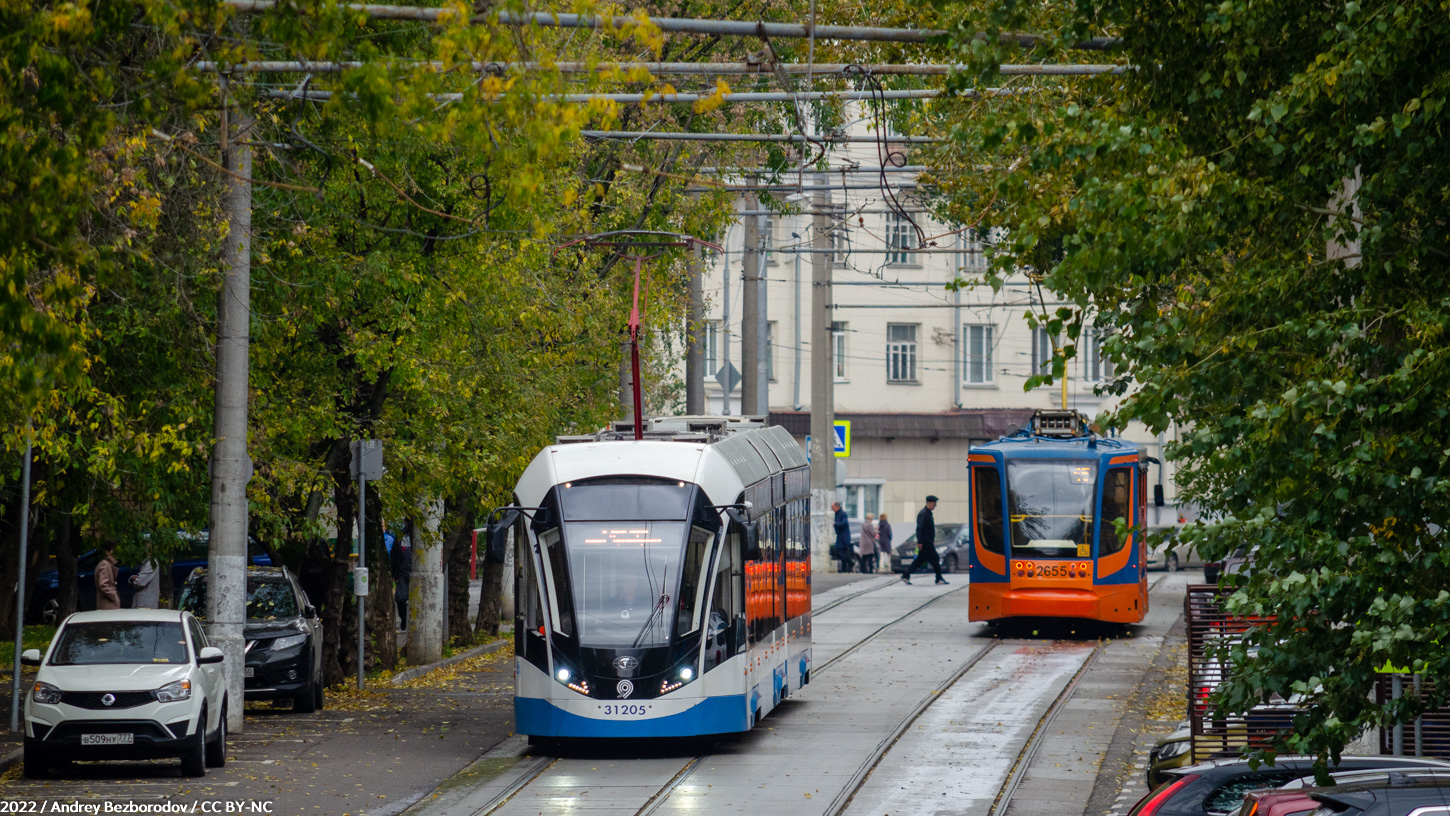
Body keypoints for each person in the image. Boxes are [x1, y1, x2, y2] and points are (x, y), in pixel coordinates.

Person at [903, 495, 948, 585]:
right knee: (935, 558)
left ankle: (906, 575)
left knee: (920, 560)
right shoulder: (924, 514)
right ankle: (938, 578)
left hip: (927, 541)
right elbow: (920, 528)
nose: (935, 505)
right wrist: (920, 542)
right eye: (934, 503)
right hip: (925, 542)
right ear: (930, 503)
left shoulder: (928, 513)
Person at [390, 525, 412, 631]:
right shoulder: (401, 536)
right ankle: (404, 619)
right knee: (400, 598)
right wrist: (393, 573)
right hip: (402, 573)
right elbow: (394, 554)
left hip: (416, 572)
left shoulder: (422, 536)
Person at [832, 502, 853, 573]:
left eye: (833, 507)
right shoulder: (837, 513)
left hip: (844, 537)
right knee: (840, 552)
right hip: (840, 536)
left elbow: (844, 523)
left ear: (837, 507)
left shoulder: (842, 514)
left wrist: (836, 524)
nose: (832, 509)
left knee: (843, 553)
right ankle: (847, 566)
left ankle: (848, 565)